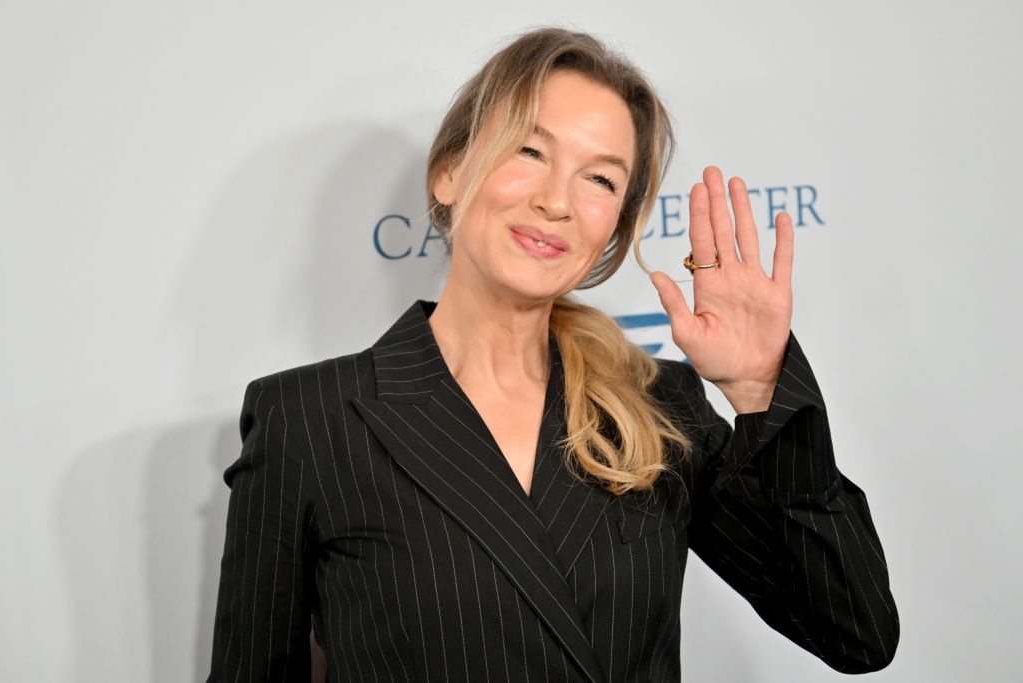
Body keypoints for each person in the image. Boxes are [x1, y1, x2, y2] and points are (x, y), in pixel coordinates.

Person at [206, 27, 899, 683]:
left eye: (600, 180)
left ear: (612, 232)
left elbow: (854, 629)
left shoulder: (659, 406)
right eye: (529, 152)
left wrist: (759, 386)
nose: (556, 201)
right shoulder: (310, 420)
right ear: (450, 172)